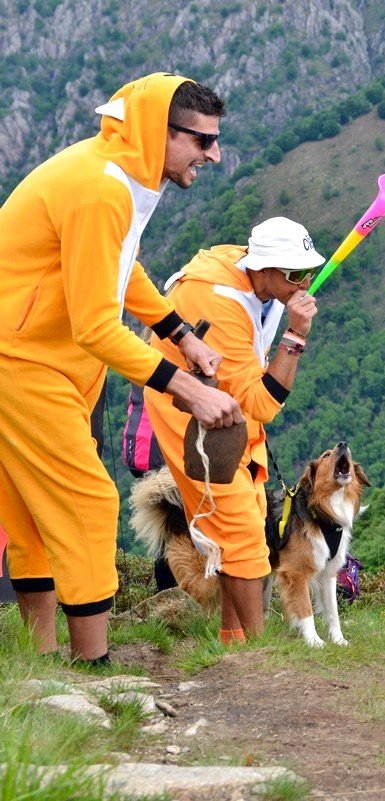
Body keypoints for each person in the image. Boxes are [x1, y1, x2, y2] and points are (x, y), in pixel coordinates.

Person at [0, 73, 243, 665]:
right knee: (88, 501)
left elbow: (118, 264)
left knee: (32, 509)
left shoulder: (117, 174)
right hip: (21, 359)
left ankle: (40, 658)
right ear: (159, 131)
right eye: (202, 140)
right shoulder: (100, 190)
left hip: (46, 356)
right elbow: (95, 326)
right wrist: (187, 390)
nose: (214, 154)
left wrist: (179, 333)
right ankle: (94, 666)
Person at [143, 217, 323, 645]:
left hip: (229, 409)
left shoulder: (253, 278)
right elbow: (262, 404)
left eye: (309, 271)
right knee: (242, 532)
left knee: (250, 516)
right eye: (296, 273)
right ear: (264, 267)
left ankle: (233, 637)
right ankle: (257, 653)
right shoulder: (220, 301)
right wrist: (296, 335)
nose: (305, 282)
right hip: (194, 418)